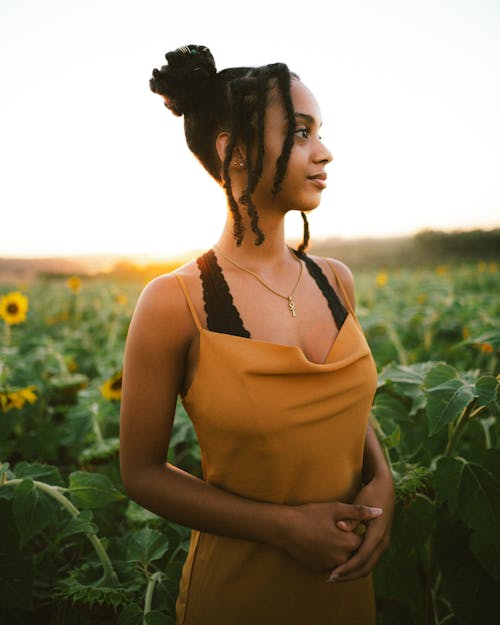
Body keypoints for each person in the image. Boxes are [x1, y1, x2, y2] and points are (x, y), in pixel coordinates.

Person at [119, 43, 395, 625]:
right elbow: (140, 473)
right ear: (234, 151)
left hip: (346, 589)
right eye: (299, 133)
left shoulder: (335, 281)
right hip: (240, 595)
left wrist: (382, 477)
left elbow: (338, 404)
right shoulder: (175, 302)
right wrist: (284, 528)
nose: (324, 152)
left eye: (318, 131)